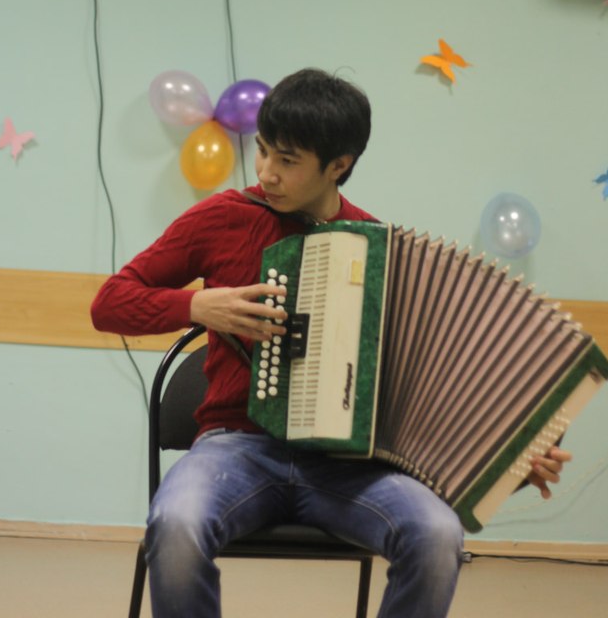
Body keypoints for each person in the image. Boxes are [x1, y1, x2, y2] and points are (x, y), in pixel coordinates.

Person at [91, 68, 571, 618]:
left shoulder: (379, 249)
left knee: (438, 534)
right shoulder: (222, 218)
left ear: (338, 165)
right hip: (237, 446)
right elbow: (110, 302)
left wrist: (509, 454)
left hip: (345, 465)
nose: (266, 172)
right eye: (264, 150)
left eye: (288, 160)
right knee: (175, 525)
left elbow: (422, 384)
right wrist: (197, 306)